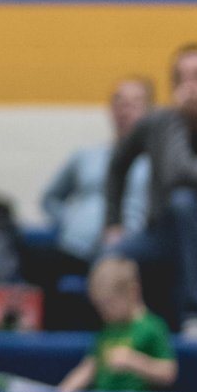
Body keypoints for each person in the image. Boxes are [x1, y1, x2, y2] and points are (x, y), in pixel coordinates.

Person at [106, 44, 197, 344]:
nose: (189, 86)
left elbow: (183, 175)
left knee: (184, 202)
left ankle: (196, 315)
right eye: (181, 78)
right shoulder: (155, 123)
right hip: (166, 237)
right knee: (108, 262)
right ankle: (114, 348)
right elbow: (117, 163)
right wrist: (113, 222)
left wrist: (176, 118)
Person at [36, 76, 154, 294]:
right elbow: (49, 199)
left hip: (128, 253)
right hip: (76, 248)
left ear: (149, 112)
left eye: (135, 104)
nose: (125, 111)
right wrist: (69, 218)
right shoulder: (86, 156)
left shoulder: (155, 163)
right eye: (120, 103)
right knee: (29, 254)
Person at [58, 258, 178, 392]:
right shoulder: (108, 329)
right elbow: (89, 367)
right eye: (99, 307)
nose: (104, 313)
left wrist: (133, 361)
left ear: (133, 292)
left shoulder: (152, 327)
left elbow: (169, 372)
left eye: (109, 305)